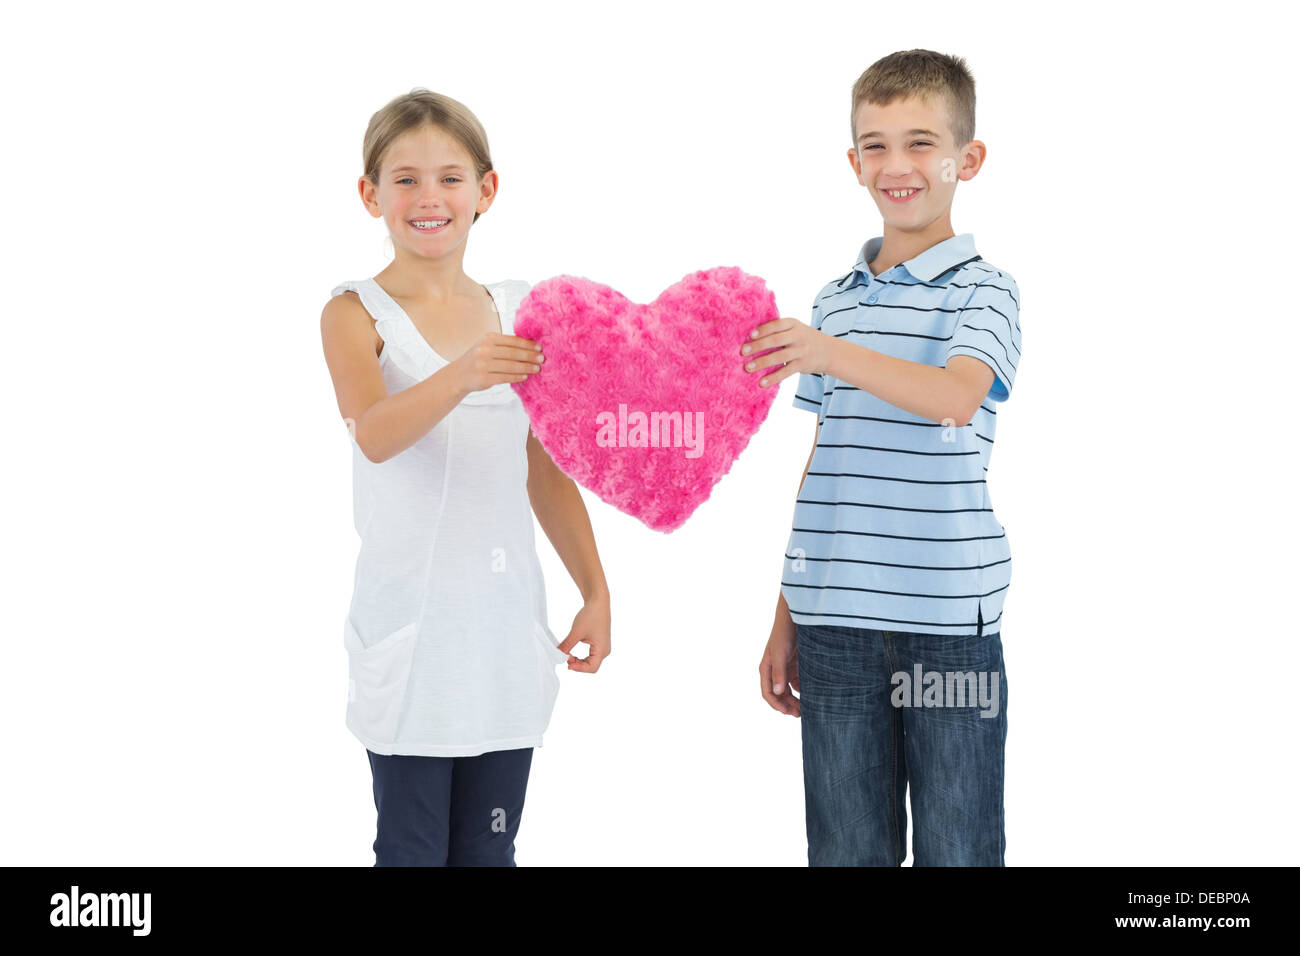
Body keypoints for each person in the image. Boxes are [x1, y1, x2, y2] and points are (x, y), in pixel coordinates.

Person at [320, 88, 611, 867]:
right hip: (413, 644)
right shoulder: (356, 312)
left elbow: (545, 469)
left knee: (490, 852)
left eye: (450, 178)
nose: (428, 197)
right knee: (412, 851)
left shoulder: (521, 312)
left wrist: (596, 591)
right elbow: (375, 435)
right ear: (370, 194)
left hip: (502, 639)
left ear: (486, 190)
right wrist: (464, 373)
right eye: (405, 178)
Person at [747, 50, 1022, 865]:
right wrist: (787, 609)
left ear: (965, 160)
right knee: (845, 850)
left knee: (957, 847)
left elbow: (955, 396)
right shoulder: (834, 301)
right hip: (835, 624)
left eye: (920, 142)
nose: (896, 165)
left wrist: (827, 352)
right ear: (853, 162)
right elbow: (826, 461)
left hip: (947, 624)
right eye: (875, 144)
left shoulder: (986, 290)